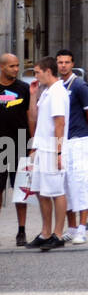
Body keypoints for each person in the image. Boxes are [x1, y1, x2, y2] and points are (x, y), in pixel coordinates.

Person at [26, 57, 69, 250]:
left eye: (37, 72)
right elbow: (35, 117)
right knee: (41, 192)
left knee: (56, 191)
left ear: (48, 71)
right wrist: (33, 95)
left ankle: (58, 234)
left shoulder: (58, 92)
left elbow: (60, 123)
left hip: (53, 148)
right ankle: (45, 232)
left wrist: (59, 152)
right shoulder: (46, 92)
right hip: (42, 147)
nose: (35, 76)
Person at [54, 50, 88, 243]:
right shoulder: (54, 85)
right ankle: (70, 227)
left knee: (80, 183)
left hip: (78, 139)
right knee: (65, 185)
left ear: (73, 64)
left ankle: (82, 228)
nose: (63, 65)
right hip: (62, 141)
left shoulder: (79, 85)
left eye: (66, 62)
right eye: (60, 62)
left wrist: (84, 129)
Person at [1, 53, 32, 245]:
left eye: (17, 65)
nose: (16, 69)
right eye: (12, 66)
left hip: (20, 143)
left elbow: (30, 115)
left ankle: (21, 230)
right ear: (2, 67)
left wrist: (32, 142)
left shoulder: (23, 88)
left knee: (21, 190)